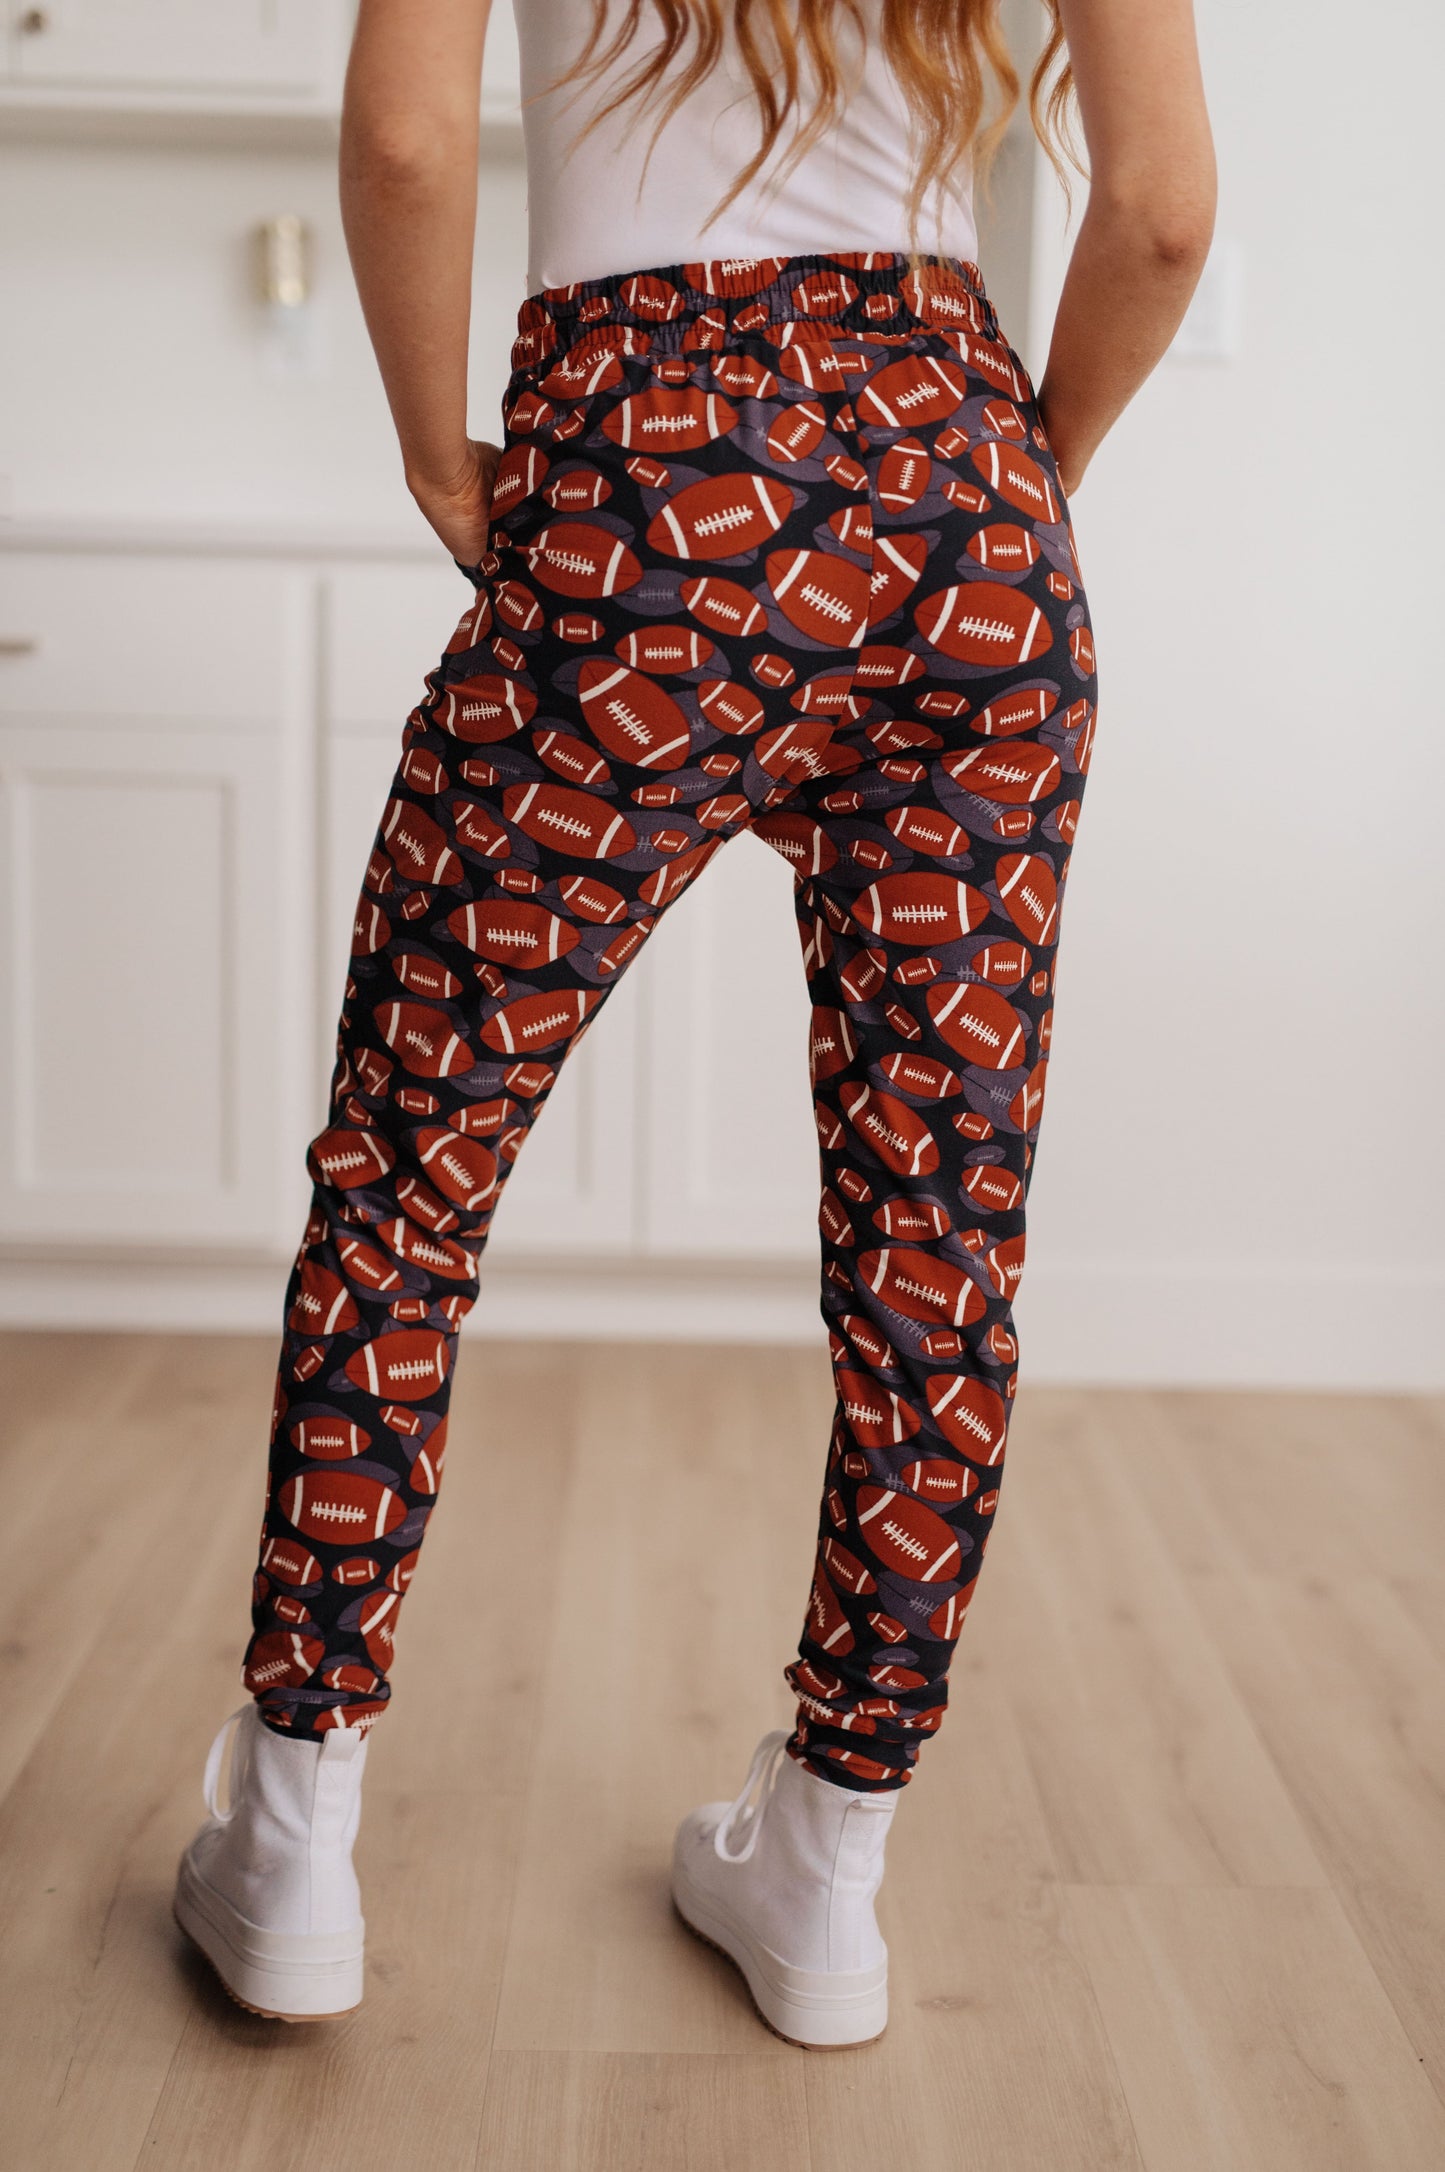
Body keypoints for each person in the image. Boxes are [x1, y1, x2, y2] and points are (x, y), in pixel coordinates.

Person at [174, 0, 1214, 2046]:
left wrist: (436, 453)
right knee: (936, 1238)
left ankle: (290, 1834)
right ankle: (828, 1865)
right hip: (960, 504)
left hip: (645, 481)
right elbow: (1162, 212)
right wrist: (1018, 475)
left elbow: (405, 145)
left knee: (411, 1173)